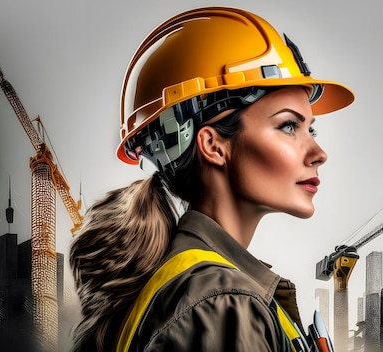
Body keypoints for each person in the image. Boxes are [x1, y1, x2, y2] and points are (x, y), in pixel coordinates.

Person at [69, 6, 354, 352]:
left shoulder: (198, 289)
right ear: (213, 145)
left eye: (312, 128)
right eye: (289, 126)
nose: (318, 153)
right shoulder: (223, 305)